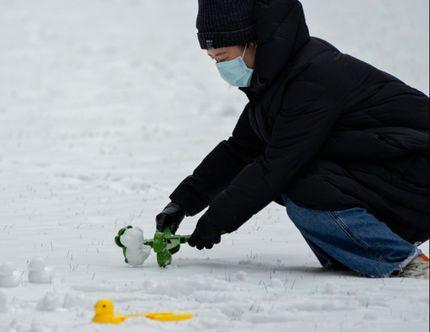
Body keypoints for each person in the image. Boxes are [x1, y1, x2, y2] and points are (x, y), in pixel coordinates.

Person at [155, 0, 430, 278]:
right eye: (214, 59)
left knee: (300, 184)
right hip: (388, 172)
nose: (220, 67)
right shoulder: (276, 80)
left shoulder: (312, 78)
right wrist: (181, 204)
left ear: (253, 43)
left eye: (224, 57)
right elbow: (240, 150)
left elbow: (277, 166)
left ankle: (402, 260)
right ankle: (354, 254)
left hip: (416, 172)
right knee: (296, 180)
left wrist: (216, 221)